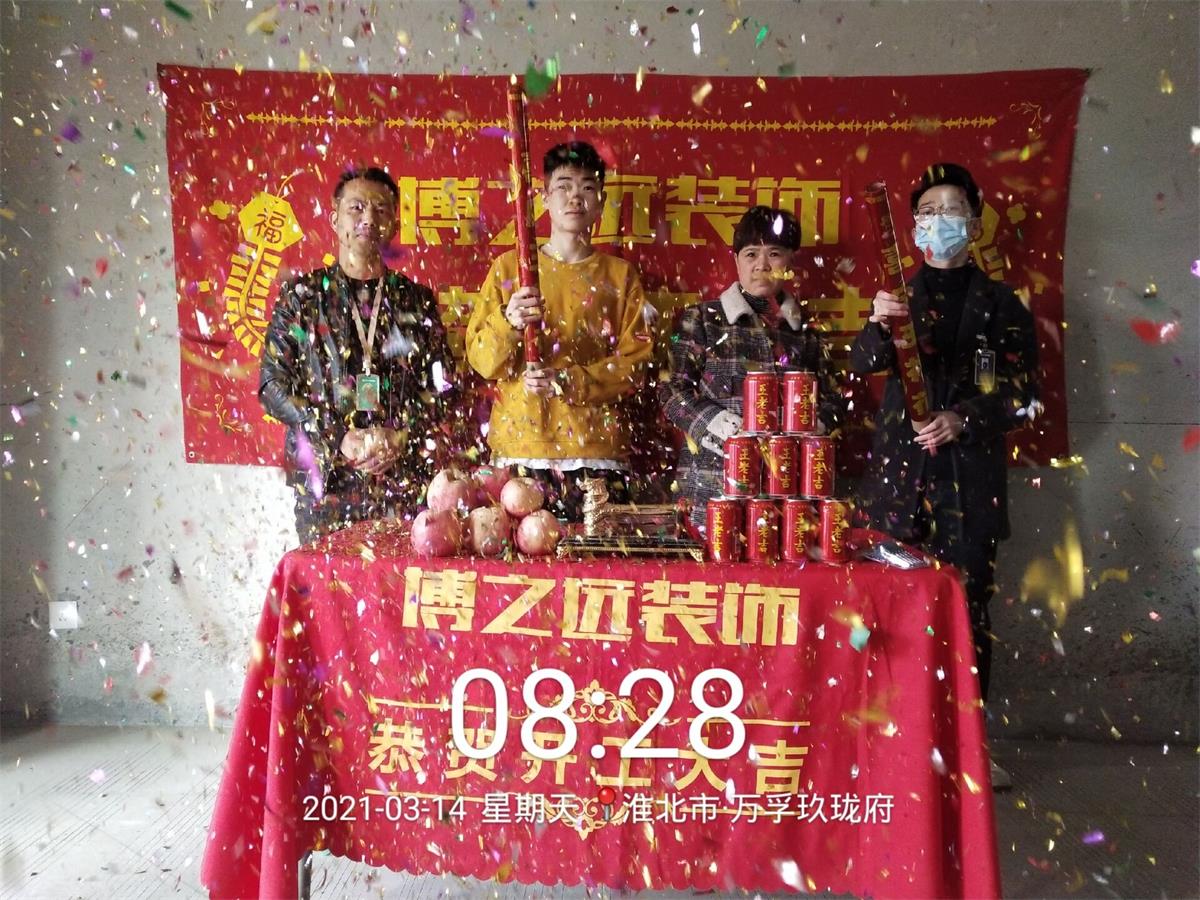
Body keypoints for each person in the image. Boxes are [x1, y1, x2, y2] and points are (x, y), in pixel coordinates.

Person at [849, 162, 1039, 704]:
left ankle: (967, 736)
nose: (939, 221)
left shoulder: (1003, 305)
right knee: (887, 615)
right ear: (913, 229)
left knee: (965, 616)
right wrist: (878, 322)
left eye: (952, 210)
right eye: (928, 212)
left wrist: (965, 419)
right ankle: (892, 732)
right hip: (899, 489)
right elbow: (864, 363)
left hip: (969, 490)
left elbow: (1025, 399)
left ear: (974, 226)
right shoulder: (896, 297)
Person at [259, 166, 459, 543]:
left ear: (393, 224)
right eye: (356, 208)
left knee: (403, 580)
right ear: (335, 219)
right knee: (328, 580)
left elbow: (444, 387)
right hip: (326, 482)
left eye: (381, 210)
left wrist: (402, 435)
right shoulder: (302, 298)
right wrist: (338, 435)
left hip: (403, 482)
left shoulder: (415, 301)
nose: (369, 218)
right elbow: (272, 385)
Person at [465, 141, 652, 520]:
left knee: (596, 558)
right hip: (521, 450)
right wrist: (509, 322)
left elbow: (636, 366)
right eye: (563, 186)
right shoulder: (510, 269)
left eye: (587, 188)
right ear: (544, 198)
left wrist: (568, 380)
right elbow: (481, 361)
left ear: (601, 202)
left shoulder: (620, 276)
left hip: (596, 454)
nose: (575, 198)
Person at [659, 206, 843, 533]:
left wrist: (809, 427)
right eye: (751, 254)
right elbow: (671, 391)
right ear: (736, 260)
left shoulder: (808, 332)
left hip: (789, 495)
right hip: (711, 490)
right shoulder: (703, 319)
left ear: (790, 261)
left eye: (774, 254)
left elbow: (834, 399)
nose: (762, 265)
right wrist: (726, 427)